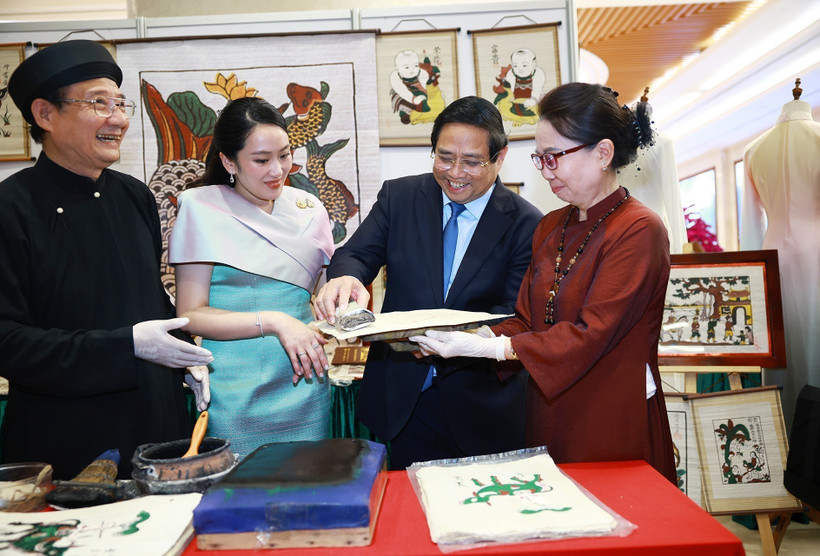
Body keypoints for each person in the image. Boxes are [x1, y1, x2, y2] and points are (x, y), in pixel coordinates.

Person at [412, 83, 676, 483]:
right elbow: (527, 319)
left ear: (603, 153)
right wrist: (479, 336)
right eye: (540, 159)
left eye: (554, 157)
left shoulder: (638, 229)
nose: (546, 170)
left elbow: (592, 333)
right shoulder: (552, 225)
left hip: (608, 412)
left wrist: (495, 348)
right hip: (548, 407)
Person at [0, 40, 214, 480]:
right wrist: (128, 345)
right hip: (64, 444)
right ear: (45, 115)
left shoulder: (134, 195)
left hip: (158, 433)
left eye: (120, 103)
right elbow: (9, 344)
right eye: (98, 103)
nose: (117, 119)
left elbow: (148, 296)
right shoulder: (11, 208)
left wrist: (183, 352)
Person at [314, 96, 543, 469]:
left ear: (499, 159)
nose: (455, 172)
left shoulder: (526, 223)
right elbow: (356, 254)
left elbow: (515, 316)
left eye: (471, 162)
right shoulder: (400, 197)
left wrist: (464, 342)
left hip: (483, 405)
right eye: (444, 157)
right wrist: (345, 277)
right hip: (406, 398)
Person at [169, 97, 334, 458]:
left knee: (309, 489)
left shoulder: (309, 210)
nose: (277, 170)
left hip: (303, 380)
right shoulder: (201, 209)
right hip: (234, 388)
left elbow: (323, 300)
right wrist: (274, 321)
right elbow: (191, 314)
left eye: (285, 155)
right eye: (261, 160)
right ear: (229, 161)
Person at [741, 84, 820, 430]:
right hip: (815, 247)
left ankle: (785, 433)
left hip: (771, 255)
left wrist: (749, 274)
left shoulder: (754, 149)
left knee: (782, 343)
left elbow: (750, 222)